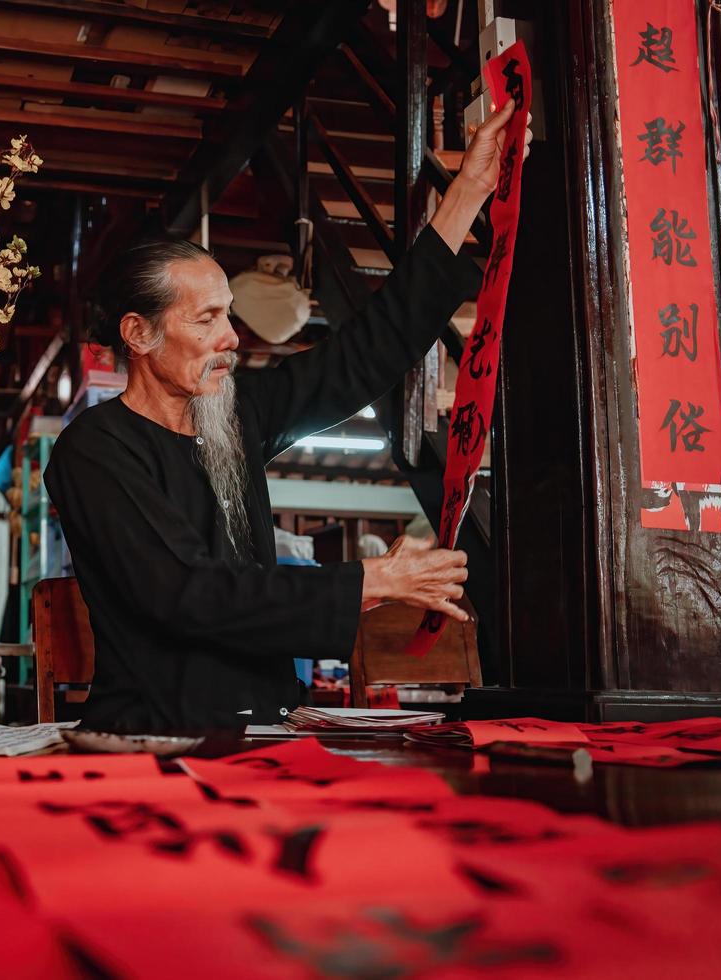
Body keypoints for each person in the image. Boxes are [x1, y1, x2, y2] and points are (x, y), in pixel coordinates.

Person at [45, 103, 529, 733]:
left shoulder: (235, 413)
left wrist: (466, 191)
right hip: (156, 732)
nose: (230, 338)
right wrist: (369, 581)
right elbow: (187, 594)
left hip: (269, 722)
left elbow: (366, 352)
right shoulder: (94, 449)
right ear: (138, 333)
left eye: (228, 314)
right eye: (206, 318)